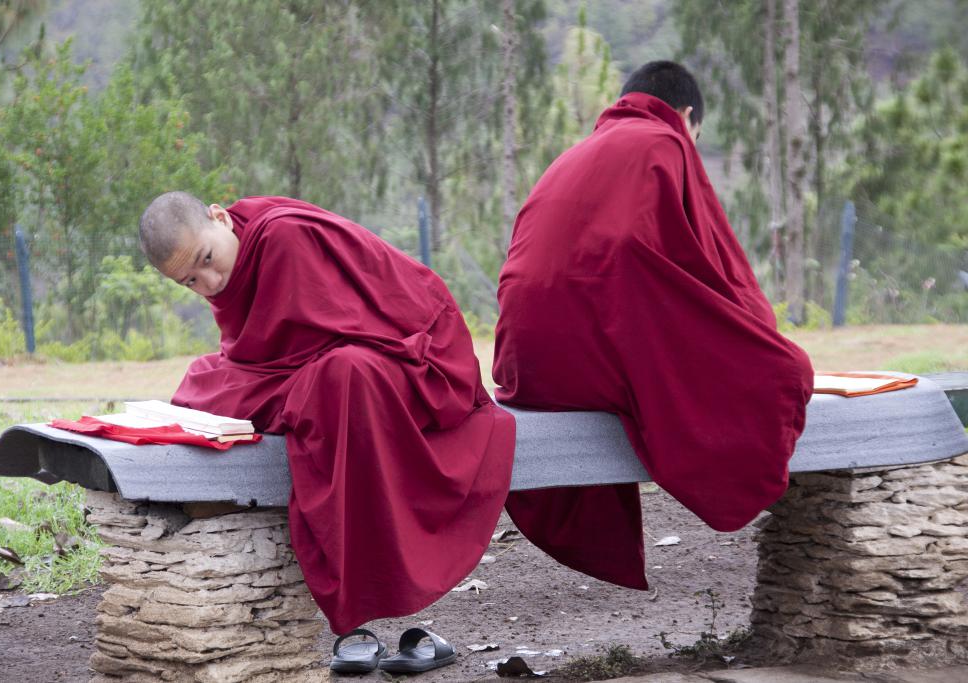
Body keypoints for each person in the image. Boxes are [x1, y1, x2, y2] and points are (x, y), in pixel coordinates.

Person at [492, 61, 814, 588]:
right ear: (686, 116)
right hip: (593, 357)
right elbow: (721, 268)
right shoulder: (665, 143)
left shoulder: (573, 155)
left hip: (525, 366)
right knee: (787, 370)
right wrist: (760, 338)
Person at [138, 192, 516, 637]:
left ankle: (369, 593)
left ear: (219, 218)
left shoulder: (283, 237)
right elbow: (258, 350)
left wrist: (254, 387)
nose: (211, 281)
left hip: (409, 352)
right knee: (200, 381)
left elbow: (332, 335)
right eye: (191, 281)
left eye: (207, 258)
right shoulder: (233, 257)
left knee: (340, 378)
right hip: (306, 361)